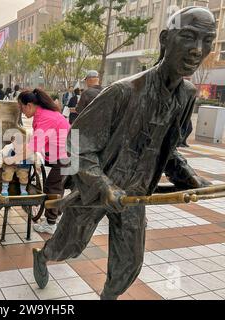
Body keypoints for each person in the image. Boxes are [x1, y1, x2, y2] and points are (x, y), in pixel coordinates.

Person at [32, 6, 216, 300]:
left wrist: (189, 178)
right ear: (166, 39)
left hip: (135, 193)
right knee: (69, 244)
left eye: (208, 41)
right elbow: (78, 143)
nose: (198, 50)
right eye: (189, 37)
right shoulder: (124, 91)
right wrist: (103, 185)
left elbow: (168, 149)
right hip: (97, 187)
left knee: (130, 261)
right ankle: (43, 256)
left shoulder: (186, 95)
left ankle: (109, 297)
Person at [17, 89, 71, 235]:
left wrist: (11, 160)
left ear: (28, 105)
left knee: (52, 187)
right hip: (60, 154)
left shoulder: (45, 117)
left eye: (21, 108)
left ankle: (50, 224)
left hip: (66, 155)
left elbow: (33, 147)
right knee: (57, 186)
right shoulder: (41, 114)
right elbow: (33, 143)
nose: (22, 112)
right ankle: (56, 215)